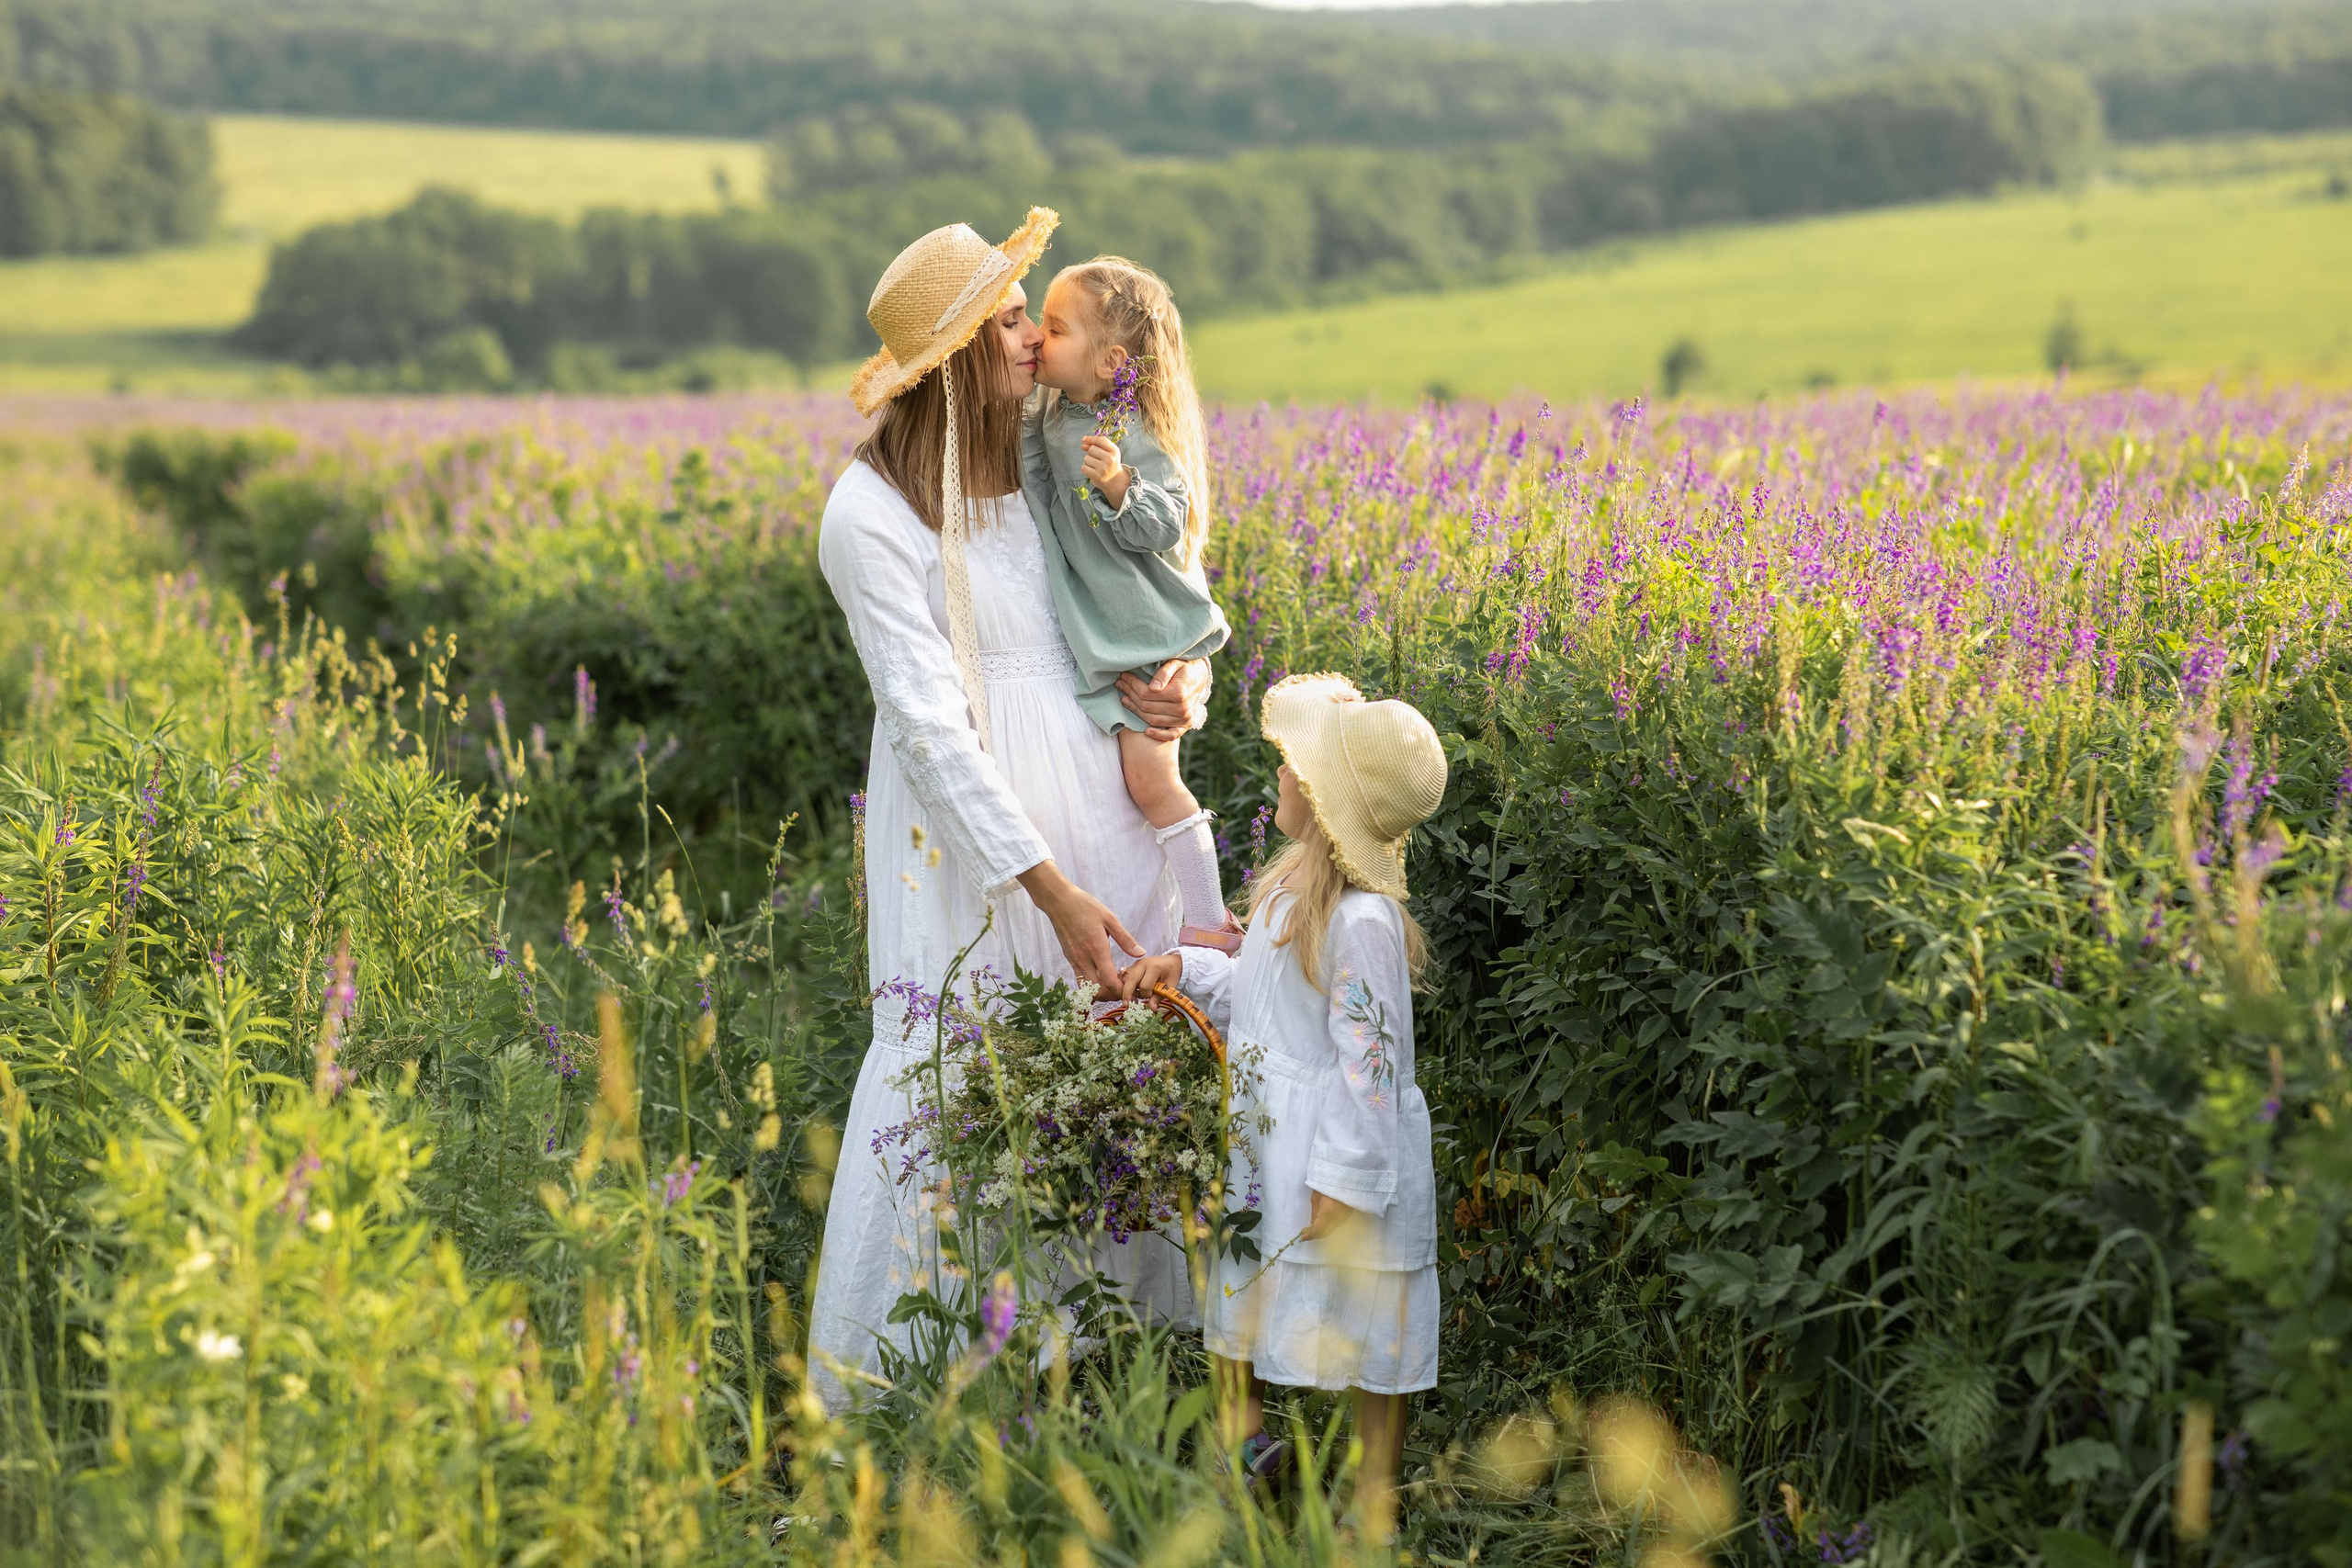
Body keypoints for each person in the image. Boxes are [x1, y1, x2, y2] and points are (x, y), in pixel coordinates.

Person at [808, 209, 1213, 1409]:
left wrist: (1179, 680)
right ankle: (932, 1385)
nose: (1033, 337)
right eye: (1004, 324)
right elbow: (932, 729)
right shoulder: (871, 515)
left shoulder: (1048, 449)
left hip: (1103, 797)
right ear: (951, 365)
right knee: (966, 1067)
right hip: (977, 841)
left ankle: (1112, 1358)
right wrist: (1043, 882)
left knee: (1111, 1063)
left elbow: (1167, 582)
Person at [1118, 673, 1448, 1540]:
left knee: (1373, 1319)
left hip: (1339, 1151)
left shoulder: (1364, 922)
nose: (1281, 775)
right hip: (1270, 1139)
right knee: (1241, 1291)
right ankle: (1247, 1450)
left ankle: (1373, 1497)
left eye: (1294, 767)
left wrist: (1344, 1181)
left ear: (1325, 797)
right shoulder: (1285, 892)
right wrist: (1185, 970)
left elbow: (1370, 1067)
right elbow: (1262, 1000)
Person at [1023, 257, 1236, 949]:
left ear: (1112, 361)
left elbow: (1167, 525)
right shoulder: (1056, 413)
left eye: (1054, 329)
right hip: (1106, 636)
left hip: (1145, 637)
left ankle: (1209, 922)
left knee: (1151, 783)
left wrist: (1118, 484)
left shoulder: (1138, 432)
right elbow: (1034, 477)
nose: (1037, 339)